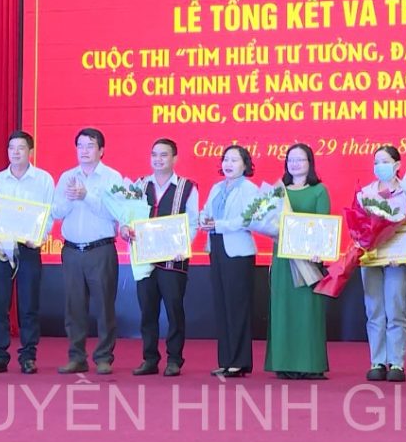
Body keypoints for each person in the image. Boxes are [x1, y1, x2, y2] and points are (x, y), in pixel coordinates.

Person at [121, 138, 199, 377]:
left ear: (175, 158)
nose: (158, 159)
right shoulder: (139, 185)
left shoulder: (187, 187)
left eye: (164, 155)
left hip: (173, 259)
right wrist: (124, 229)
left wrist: (183, 245)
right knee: (147, 310)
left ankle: (174, 359)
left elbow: (193, 222)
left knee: (174, 310)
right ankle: (150, 359)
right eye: (154, 154)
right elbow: (127, 216)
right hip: (144, 258)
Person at [0, 131, 56, 375]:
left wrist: (40, 237)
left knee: (28, 305)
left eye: (21, 148)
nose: (15, 152)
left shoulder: (43, 180)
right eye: (11, 148)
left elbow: (49, 213)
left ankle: (28, 356)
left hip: (28, 247)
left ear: (30, 152)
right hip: (2, 250)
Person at [53, 128, 124, 375]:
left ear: (101, 150)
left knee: (104, 306)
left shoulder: (112, 177)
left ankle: (104, 357)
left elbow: (115, 213)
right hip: (72, 250)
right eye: (80, 146)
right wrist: (70, 198)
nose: (84, 150)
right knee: (74, 307)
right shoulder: (67, 177)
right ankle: (77, 357)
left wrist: (86, 196)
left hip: (100, 250)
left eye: (90, 145)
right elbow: (56, 212)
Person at [264, 143, 331, 380]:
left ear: (310, 163)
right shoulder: (278, 192)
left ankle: (310, 364)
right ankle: (283, 363)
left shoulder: (319, 191)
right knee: (283, 309)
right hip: (282, 259)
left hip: (308, 259)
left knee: (307, 311)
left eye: (300, 159)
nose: (295, 164)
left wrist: (319, 251)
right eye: (290, 159)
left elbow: (323, 225)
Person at [198, 145, 259, 378]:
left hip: (238, 252)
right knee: (222, 305)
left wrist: (219, 224)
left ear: (245, 165)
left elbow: (247, 219)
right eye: (226, 159)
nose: (229, 164)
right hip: (216, 247)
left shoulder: (249, 189)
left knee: (237, 307)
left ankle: (240, 361)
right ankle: (225, 360)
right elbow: (205, 211)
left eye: (234, 160)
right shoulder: (216, 187)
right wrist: (204, 220)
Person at [360, 145, 406, 382]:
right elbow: (358, 226)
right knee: (374, 309)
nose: (379, 166)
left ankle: (396, 363)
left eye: (384, 161)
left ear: (397, 165)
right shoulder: (365, 194)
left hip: (397, 260)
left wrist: (401, 251)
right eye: (376, 162)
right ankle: (377, 361)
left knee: (395, 309)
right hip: (371, 258)